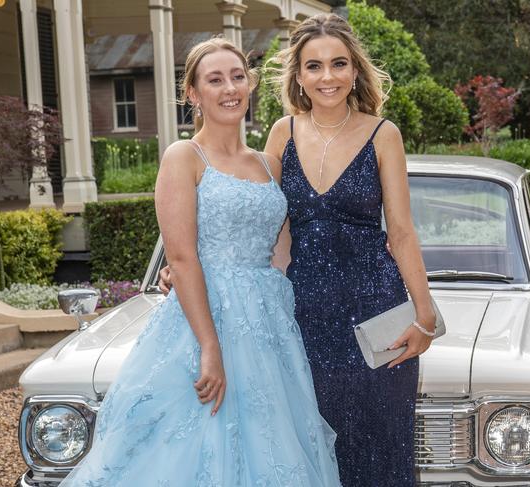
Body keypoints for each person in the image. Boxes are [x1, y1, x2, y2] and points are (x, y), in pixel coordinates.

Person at [160, 14, 436, 486]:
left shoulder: (383, 133)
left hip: (377, 308)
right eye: (314, 66)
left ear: (355, 71)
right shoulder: (281, 135)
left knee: (383, 440)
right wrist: (190, 266)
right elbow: (264, 223)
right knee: (312, 444)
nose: (327, 77)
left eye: (338, 64)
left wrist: (425, 315)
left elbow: (403, 233)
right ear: (299, 76)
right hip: (303, 316)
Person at [59, 37, 341, 487]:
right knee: (199, 444)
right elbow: (182, 256)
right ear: (193, 93)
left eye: (237, 76)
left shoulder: (271, 165)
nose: (230, 88)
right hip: (202, 320)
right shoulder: (183, 157)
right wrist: (210, 346)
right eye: (214, 80)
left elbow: (282, 253)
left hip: (269, 327)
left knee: (272, 443)